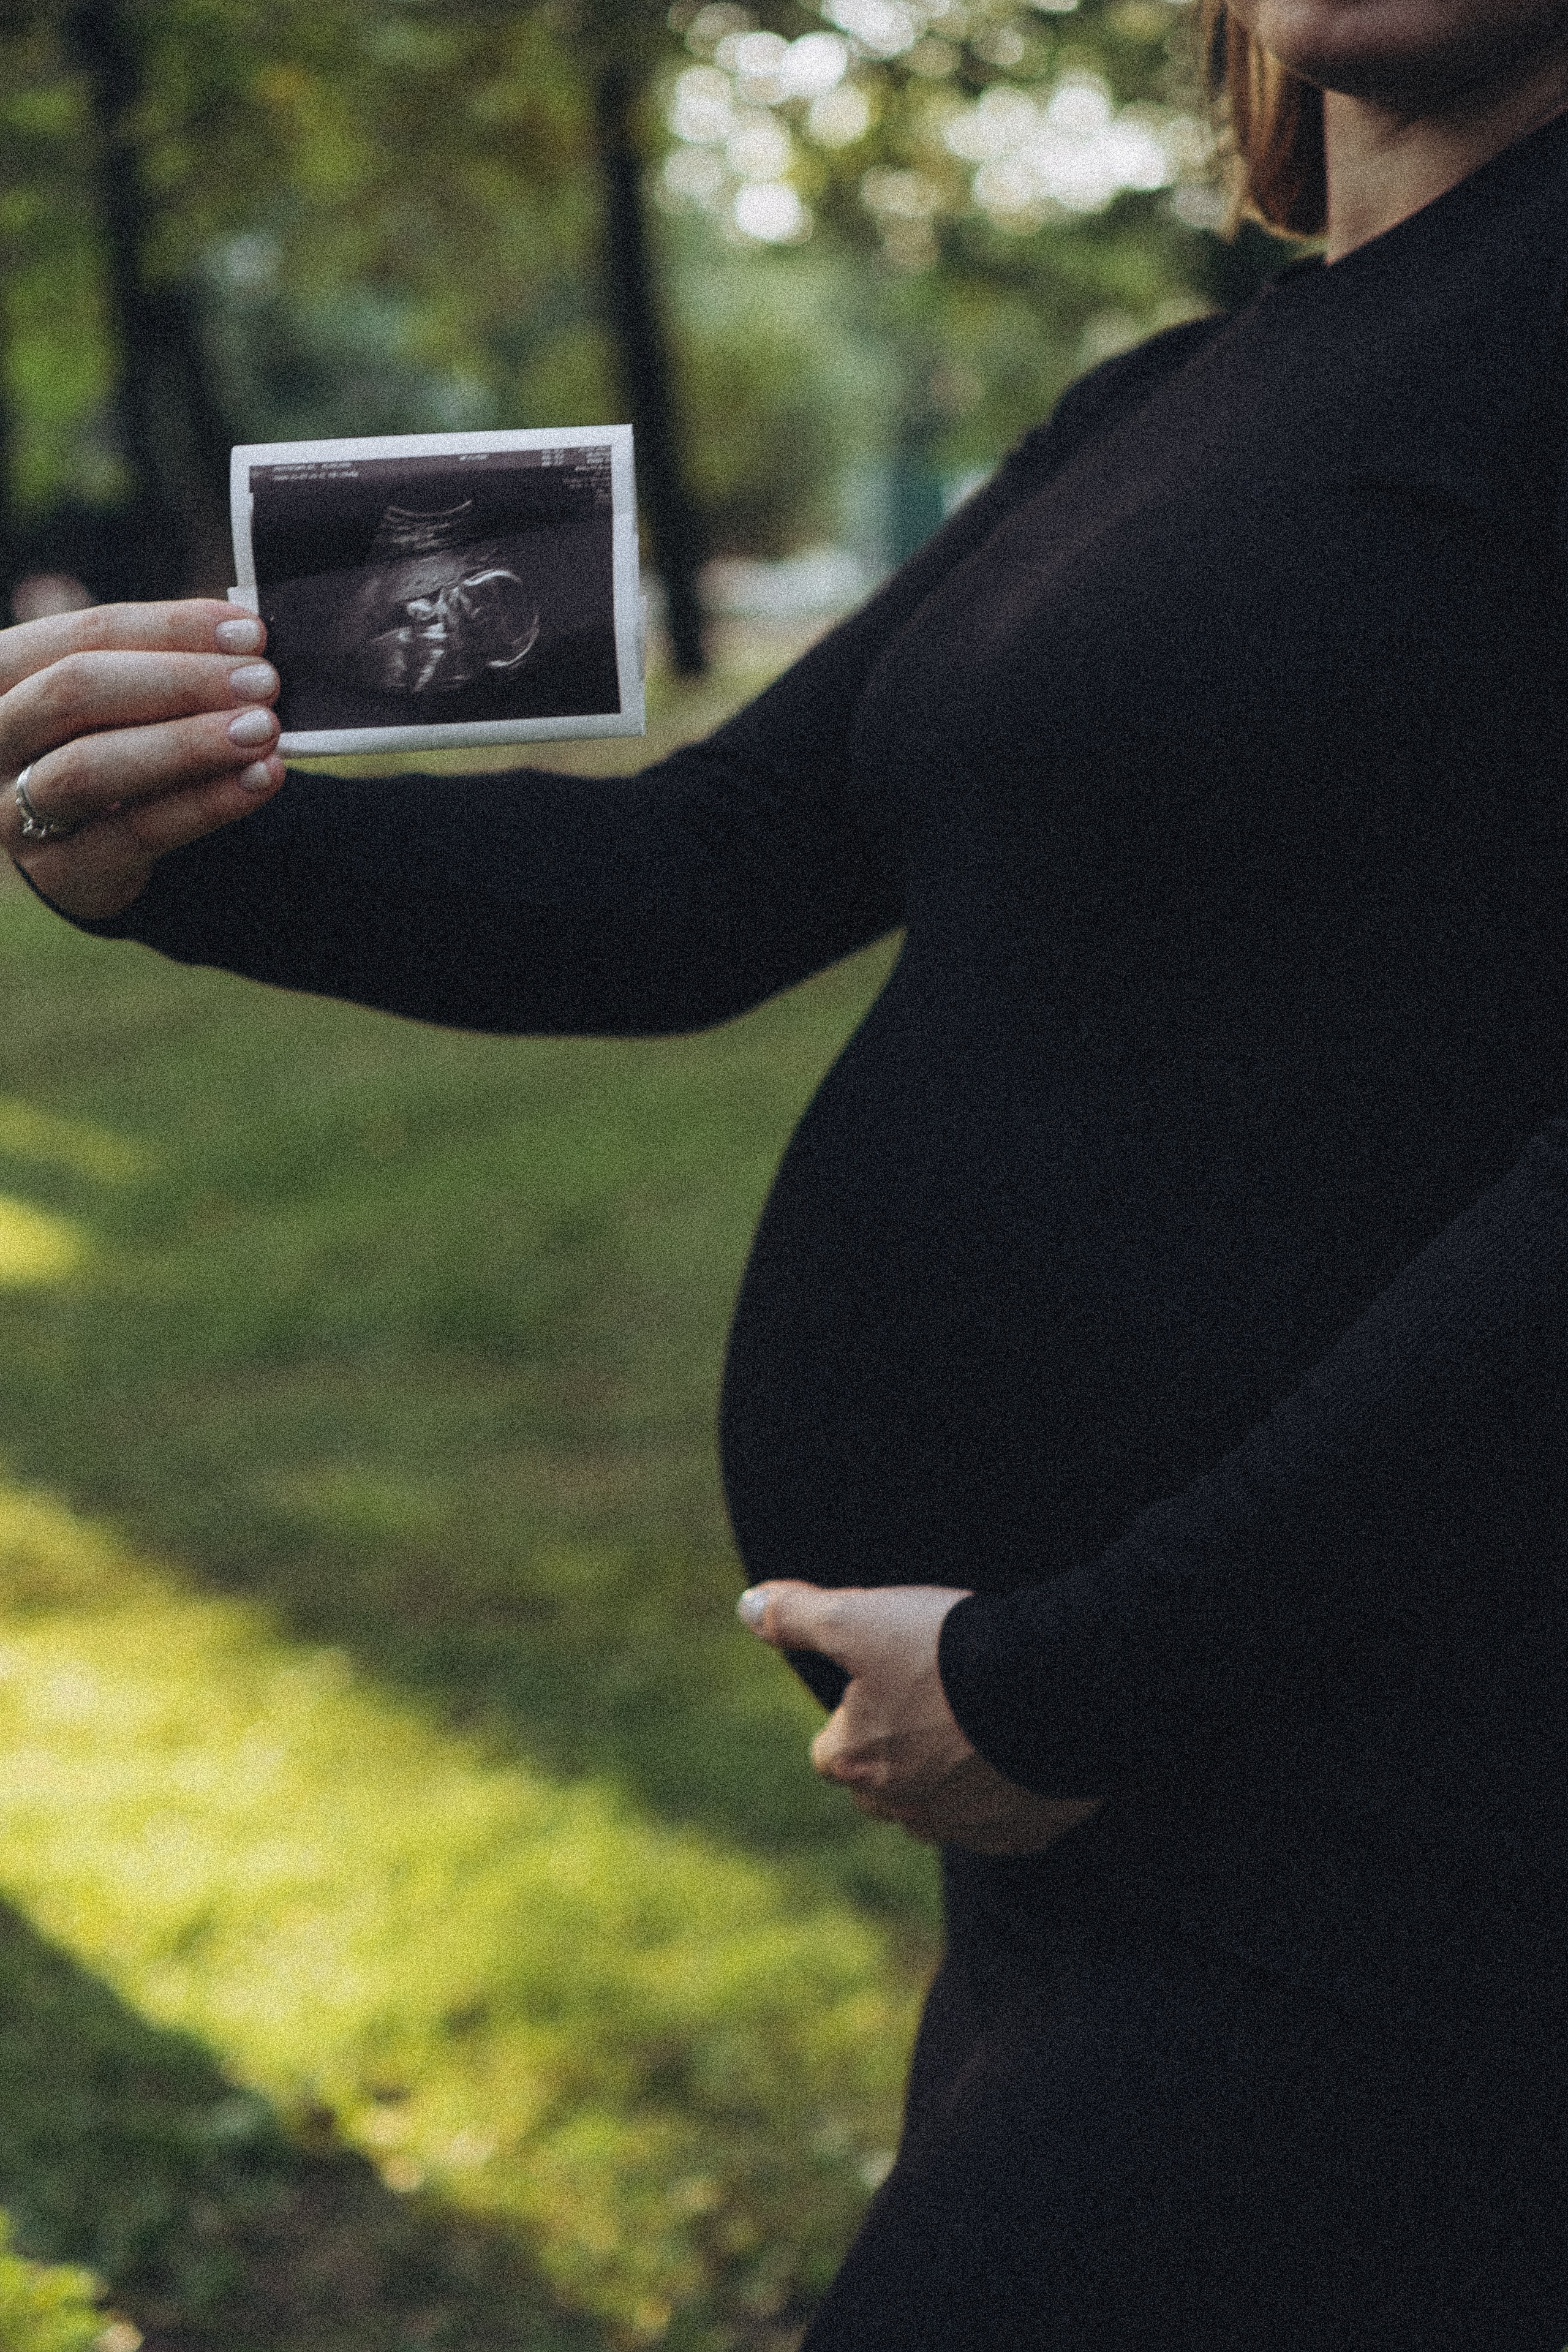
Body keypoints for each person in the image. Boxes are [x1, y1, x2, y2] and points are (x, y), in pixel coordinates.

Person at [7, 0, 1568, 2334]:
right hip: (1091, 1829)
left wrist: (1097, 1675)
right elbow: (709, 879)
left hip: (1383, 1807)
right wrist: (187, 860)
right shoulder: (1167, 401)